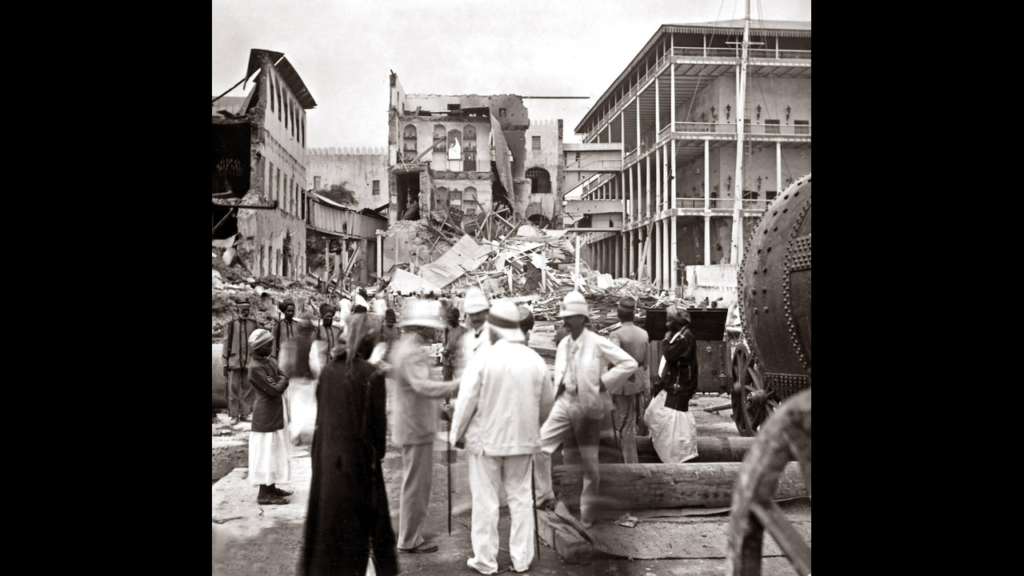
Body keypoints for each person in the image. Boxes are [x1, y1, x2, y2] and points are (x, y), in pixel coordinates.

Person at [451, 301, 554, 575]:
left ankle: (485, 561)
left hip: (486, 443)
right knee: (521, 499)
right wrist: (537, 430)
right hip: (522, 441)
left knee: (485, 501)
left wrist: (456, 436)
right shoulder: (535, 360)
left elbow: (465, 404)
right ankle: (522, 559)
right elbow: (547, 405)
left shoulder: (483, 359)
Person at [298, 314, 399, 576]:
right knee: (362, 531)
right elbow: (378, 434)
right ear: (366, 340)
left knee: (328, 530)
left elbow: (322, 420)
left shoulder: (329, 371)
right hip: (358, 466)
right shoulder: (371, 374)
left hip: (326, 463)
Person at [535, 291, 637, 527]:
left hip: (588, 405)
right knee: (540, 448)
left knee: (590, 462)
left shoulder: (598, 343)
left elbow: (628, 363)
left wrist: (605, 382)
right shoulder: (563, 345)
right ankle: (544, 495)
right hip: (564, 402)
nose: (565, 322)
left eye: (570, 317)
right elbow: (559, 376)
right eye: (565, 318)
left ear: (582, 318)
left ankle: (587, 513)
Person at [388, 300, 461, 554]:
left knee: (417, 484)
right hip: (415, 428)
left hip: (416, 423)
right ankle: (410, 539)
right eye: (430, 328)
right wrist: (457, 385)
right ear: (420, 328)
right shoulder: (411, 352)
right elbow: (423, 387)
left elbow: (416, 390)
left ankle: (411, 535)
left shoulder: (408, 348)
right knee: (417, 486)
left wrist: (439, 409)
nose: (434, 332)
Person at [645, 305, 699, 463]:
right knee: (655, 413)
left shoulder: (684, 338)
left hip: (679, 386)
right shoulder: (683, 335)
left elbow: (669, 353)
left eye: (669, 321)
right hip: (675, 385)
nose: (666, 324)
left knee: (671, 423)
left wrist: (666, 338)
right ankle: (674, 453)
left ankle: (677, 457)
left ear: (678, 322)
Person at [246, 329, 293, 505]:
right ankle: (264, 494)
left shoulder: (269, 360)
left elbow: (284, 376)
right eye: (268, 345)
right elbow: (275, 389)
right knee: (266, 453)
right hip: (265, 415)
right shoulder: (255, 368)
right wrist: (282, 380)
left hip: (275, 412)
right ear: (258, 347)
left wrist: (281, 379)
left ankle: (271, 487)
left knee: (275, 451)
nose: (271, 348)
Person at [607, 299, 649, 464]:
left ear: (619, 315)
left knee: (624, 423)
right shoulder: (643, 334)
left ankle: (629, 463)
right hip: (637, 380)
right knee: (630, 421)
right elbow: (645, 364)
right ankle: (629, 459)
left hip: (623, 382)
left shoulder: (616, 334)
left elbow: (614, 358)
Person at [222, 301, 259, 424]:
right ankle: (234, 415)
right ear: (238, 311)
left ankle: (245, 413)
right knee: (233, 389)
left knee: (248, 388)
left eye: (247, 310)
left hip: (249, 362)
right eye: (243, 310)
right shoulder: (231, 325)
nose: (245, 313)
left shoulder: (253, 325)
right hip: (234, 362)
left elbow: (257, 344)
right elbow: (226, 344)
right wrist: (224, 363)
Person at [459, 287, 491, 378]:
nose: (475, 318)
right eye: (472, 314)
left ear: (486, 312)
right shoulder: (468, 338)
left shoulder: (494, 336)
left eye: (478, 313)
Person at [313, 303, 344, 371]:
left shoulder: (337, 330)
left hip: (335, 362)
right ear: (322, 317)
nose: (329, 318)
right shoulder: (318, 330)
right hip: (322, 362)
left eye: (331, 316)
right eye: (327, 316)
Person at [442, 308, 466, 382]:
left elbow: (466, 348)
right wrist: (445, 331)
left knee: (458, 384)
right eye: (447, 317)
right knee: (446, 384)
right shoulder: (447, 329)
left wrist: (454, 353)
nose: (448, 320)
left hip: (457, 362)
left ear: (456, 318)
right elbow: (444, 344)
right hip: (447, 362)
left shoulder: (463, 331)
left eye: (450, 318)